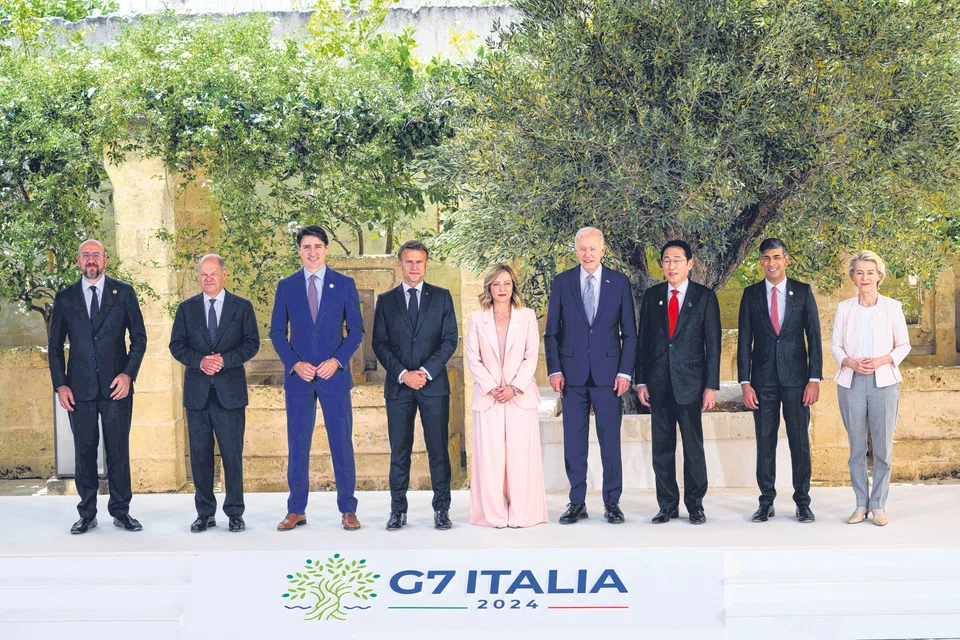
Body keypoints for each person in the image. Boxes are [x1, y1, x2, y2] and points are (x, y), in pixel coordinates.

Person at [48, 239, 147, 534]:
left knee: (118, 451)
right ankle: (87, 513)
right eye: (86, 255)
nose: (91, 260)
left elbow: (139, 339)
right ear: (79, 261)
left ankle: (120, 511)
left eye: (96, 255)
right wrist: (61, 385)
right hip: (79, 391)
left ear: (105, 260)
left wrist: (128, 374)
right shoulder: (65, 298)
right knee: (84, 451)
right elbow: (54, 347)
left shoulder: (124, 293)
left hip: (117, 389)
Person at [269, 225, 364, 531]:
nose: (312, 252)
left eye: (317, 246)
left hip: (333, 378)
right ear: (299, 251)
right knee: (298, 444)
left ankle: (348, 509)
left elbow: (357, 331)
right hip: (299, 380)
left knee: (341, 442)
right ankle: (296, 509)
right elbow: (276, 332)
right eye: (306, 247)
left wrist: (337, 361)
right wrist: (295, 364)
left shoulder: (344, 284)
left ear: (326, 250)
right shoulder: (286, 286)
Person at [544, 227, 637, 525]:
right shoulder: (562, 282)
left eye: (593, 249)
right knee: (574, 442)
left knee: (610, 442)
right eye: (582, 248)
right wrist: (555, 369)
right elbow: (552, 333)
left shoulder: (619, 283)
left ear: (603, 250)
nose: (587, 254)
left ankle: (612, 503)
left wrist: (625, 372)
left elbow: (630, 335)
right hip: (571, 377)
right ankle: (576, 502)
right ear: (575, 251)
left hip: (609, 377)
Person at [169, 254, 260, 533]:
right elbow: (177, 345)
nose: (208, 278)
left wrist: (224, 360)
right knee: (199, 456)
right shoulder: (186, 309)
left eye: (213, 273)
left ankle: (235, 512)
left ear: (224, 274)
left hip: (229, 394)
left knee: (232, 455)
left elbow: (251, 344)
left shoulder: (242, 307)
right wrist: (200, 361)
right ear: (198, 277)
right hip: (197, 395)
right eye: (203, 274)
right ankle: (205, 513)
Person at [372, 240, 459, 531]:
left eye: (419, 262)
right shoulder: (385, 300)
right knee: (400, 451)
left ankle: (442, 510)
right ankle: (398, 510)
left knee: (438, 450)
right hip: (398, 388)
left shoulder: (443, 297)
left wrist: (423, 371)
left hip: (433, 386)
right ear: (400, 264)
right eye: (408, 262)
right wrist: (402, 374)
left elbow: (449, 340)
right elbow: (379, 343)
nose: (414, 267)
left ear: (426, 264)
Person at [737, 238, 822, 524]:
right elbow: (744, 341)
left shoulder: (803, 292)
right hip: (761, 382)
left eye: (776, 257)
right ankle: (766, 502)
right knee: (765, 441)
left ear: (786, 259)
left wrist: (814, 379)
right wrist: (745, 383)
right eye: (765, 258)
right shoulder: (750, 295)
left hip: (798, 381)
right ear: (760, 262)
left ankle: (803, 502)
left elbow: (815, 338)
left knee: (799, 443)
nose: (771, 262)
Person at [635, 240, 720, 525]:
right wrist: (641, 380)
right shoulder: (652, 296)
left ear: (690, 264)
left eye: (677, 260)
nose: (672, 266)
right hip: (658, 384)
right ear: (662, 264)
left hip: (691, 384)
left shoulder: (705, 297)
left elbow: (713, 345)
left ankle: (695, 505)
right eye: (667, 260)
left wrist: (711, 386)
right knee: (662, 447)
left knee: (693, 447)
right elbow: (643, 341)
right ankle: (667, 505)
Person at [831, 250, 910, 526]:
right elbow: (835, 346)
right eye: (860, 272)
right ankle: (860, 503)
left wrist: (883, 360)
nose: (865, 277)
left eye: (870, 272)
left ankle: (878, 505)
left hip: (884, 382)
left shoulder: (893, 307)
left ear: (879, 276)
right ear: (853, 277)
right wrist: (850, 362)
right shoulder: (844, 308)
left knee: (882, 448)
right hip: (851, 382)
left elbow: (903, 345)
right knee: (856, 448)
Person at [465, 264, 548, 528]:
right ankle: (493, 515)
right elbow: (473, 358)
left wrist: (513, 388)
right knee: (490, 458)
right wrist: (492, 387)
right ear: (489, 287)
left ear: (514, 287)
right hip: (488, 398)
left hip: (520, 397)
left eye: (507, 283)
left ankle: (524, 513)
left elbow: (531, 355)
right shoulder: (477, 319)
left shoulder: (527, 317)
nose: (502, 289)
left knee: (520, 457)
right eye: (497, 284)